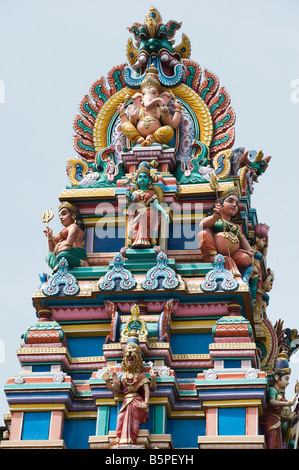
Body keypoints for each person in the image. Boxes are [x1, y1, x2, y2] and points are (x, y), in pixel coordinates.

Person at [103, 331, 157, 446]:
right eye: (127, 354)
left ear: (138, 359)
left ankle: (129, 440)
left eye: (133, 354)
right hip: (126, 402)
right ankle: (122, 439)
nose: (130, 356)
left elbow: (149, 388)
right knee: (120, 419)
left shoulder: (141, 376)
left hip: (137, 402)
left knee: (132, 423)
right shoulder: (123, 376)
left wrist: (146, 403)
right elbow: (115, 391)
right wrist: (109, 382)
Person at [198, 188, 253, 274]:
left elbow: (246, 246)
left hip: (234, 254)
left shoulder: (236, 227)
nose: (234, 205)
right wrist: (214, 217)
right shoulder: (216, 220)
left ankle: (229, 261)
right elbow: (202, 224)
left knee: (245, 259)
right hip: (215, 251)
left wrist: (249, 252)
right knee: (203, 234)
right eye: (230, 201)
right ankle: (212, 257)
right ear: (218, 204)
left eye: (236, 203)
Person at [260, 352, 299, 449]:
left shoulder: (278, 393)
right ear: (277, 377)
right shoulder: (272, 390)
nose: (288, 382)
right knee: (271, 444)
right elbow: (272, 402)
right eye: (286, 379)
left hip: (276, 422)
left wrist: (288, 418)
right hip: (269, 422)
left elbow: (279, 415)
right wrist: (289, 402)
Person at [126, 161, 169, 248]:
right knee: (136, 222)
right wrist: (128, 196)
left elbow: (156, 204)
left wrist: (164, 212)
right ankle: (136, 240)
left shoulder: (151, 193)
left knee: (144, 213)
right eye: (140, 177)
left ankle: (144, 240)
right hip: (137, 214)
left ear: (149, 180)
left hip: (148, 214)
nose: (142, 179)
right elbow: (131, 199)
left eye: (145, 177)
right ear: (137, 180)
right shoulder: (135, 192)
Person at [43, 201, 88, 271]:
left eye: (64, 214)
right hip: (64, 254)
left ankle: (82, 263)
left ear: (73, 215)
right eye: (59, 215)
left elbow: (69, 242)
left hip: (75, 253)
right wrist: (49, 237)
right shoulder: (62, 231)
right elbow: (52, 250)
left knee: (62, 256)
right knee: (48, 256)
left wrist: (62, 249)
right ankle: (58, 268)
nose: (61, 217)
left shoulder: (74, 226)